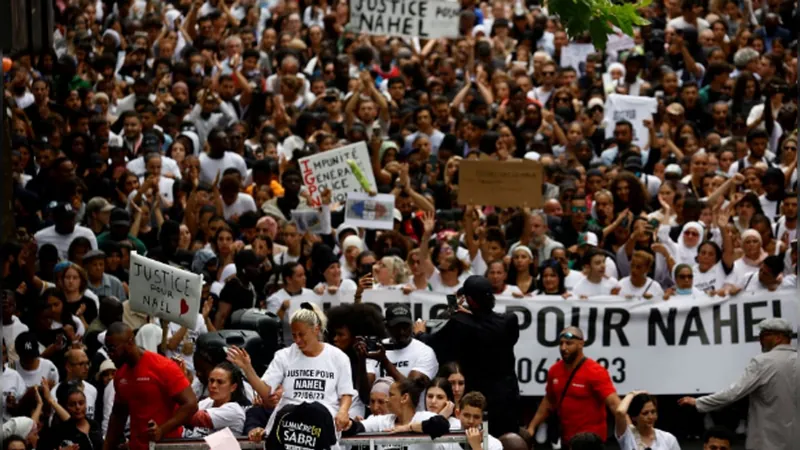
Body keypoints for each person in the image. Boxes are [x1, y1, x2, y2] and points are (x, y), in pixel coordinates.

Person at [227, 303, 354, 436]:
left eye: (302, 334)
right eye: (294, 335)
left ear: (316, 330)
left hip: (322, 425)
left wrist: (343, 412)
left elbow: (346, 393)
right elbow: (266, 391)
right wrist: (248, 368)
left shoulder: (338, 357)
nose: (297, 340)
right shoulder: (284, 355)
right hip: (287, 423)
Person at [678, 318, 798, 450]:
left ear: (779, 337)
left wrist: (699, 402)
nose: (760, 340)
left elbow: (734, 392)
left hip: (768, 442)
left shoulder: (763, 362)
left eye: (765, 335)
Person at [425, 275, 520, 437]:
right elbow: (487, 322)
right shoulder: (509, 321)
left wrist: (420, 332)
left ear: (470, 301)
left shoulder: (460, 324)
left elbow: (433, 343)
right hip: (507, 399)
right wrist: (471, 316)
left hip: (476, 404)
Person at [103, 322, 199, 450]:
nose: (109, 354)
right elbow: (118, 415)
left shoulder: (163, 367)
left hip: (166, 445)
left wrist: (162, 430)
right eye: (107, 349)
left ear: (130, 342)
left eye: (112, 348)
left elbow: (191, 404)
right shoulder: (120, 375)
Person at [526, 327, 621, 445]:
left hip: (591, 442)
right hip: (567, 440)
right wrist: (532, 426)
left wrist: (631, 436)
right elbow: (549, 401)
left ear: (581, 344)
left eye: (569, 343)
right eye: (561, 344)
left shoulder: (595, 372)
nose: (563, 348)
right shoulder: (554, 371)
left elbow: (615, 405)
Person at [341, 378, 451, 450]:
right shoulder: (383, 420)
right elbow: (358, 427)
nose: (387, 400)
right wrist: (349, 424)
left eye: (391, 395)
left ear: (404, 398)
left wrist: (409, 428)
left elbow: (442, 424)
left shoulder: (423, 417)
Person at [183, 362, 248, 437]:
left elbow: (191, 417)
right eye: (211, 380)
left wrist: (180, 383)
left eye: (220, 382)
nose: (213, 385)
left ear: (233, 387)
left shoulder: (234, 410)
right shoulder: (206, 402)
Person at [614, 391, 680, 450]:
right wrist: (632, 394)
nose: (650, 417)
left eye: (653, 412)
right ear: (634, 417)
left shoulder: (668, 439)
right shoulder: (628, 436)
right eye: (645, 413)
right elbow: (620, 412)